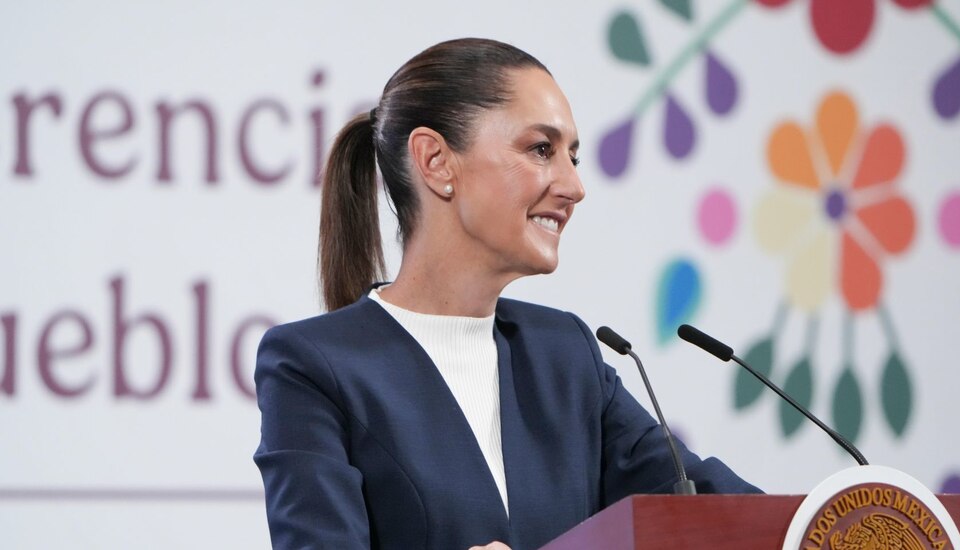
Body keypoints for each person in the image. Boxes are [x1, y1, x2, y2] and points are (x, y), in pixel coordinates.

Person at [253, 38, 760, 550]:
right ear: (435, 161)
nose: (574, 186)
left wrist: (833, 514)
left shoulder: (564, 354)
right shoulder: (312, 365)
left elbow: (711, 511)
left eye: (573, 157)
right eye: (542, 149)